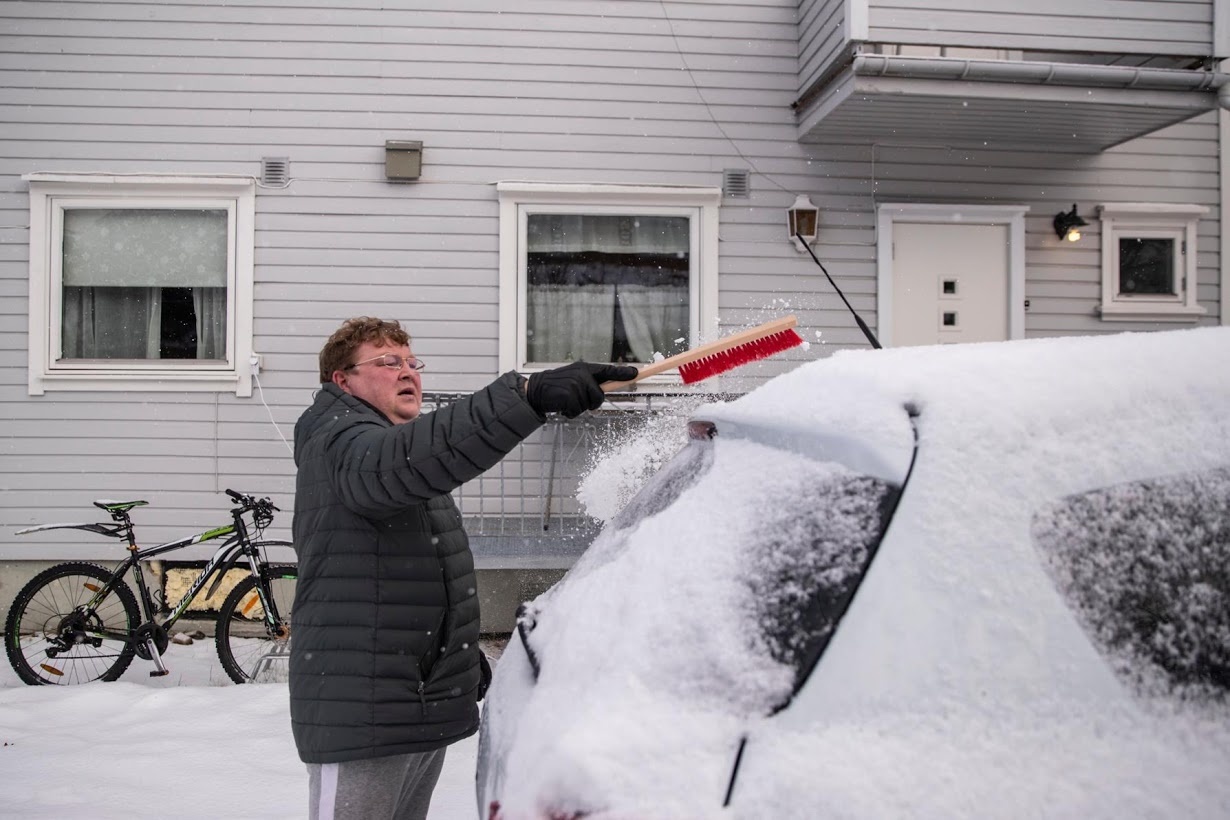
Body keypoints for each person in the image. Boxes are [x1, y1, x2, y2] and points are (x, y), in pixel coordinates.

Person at [289, 316, 636, 820]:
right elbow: (405, 459)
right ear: (342, 381)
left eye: (412, 362)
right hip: (361, 707)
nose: (407, 372)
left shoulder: (388, 449)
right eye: (387, 362)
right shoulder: (340, 442)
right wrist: (525, 395)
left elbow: (415, 570)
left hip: (410, 692)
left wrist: (451, 652)